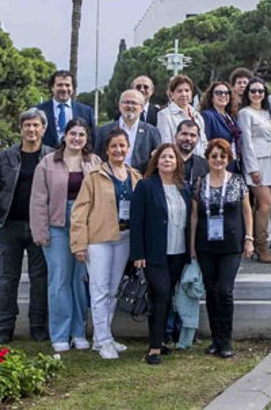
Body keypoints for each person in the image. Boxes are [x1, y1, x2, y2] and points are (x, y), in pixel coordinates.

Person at [0, 108, 51, 344]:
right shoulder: (5, 157)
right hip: (9, 224)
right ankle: (5, 326)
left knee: (39, 278)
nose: (31, 130)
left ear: (43, 129)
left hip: (39, 226)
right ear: (21, 129)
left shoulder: (51, 156)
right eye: (27, 125)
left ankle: (38, 326)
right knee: (7, 278)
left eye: (36, 125)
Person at [29, 117, 95, 352]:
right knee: (59, 281)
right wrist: (41, 231)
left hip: (84, 228)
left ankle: (79, 331)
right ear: (65, 136)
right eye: (73, 133)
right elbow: (38, 200)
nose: (77, 138)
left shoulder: (94, 162)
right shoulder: (47, 163)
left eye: (82, 135)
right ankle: (60, 333)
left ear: (87, 139)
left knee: (80, 281)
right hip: (56, 226)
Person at [70, 128, 136, 360]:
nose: (119, 150)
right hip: (99, 240)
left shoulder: (134, 176)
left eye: (122, 146)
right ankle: (103, 340)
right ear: (106, 150)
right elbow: (79, 212)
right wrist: (79, 243)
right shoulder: (95, 176)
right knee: (98, 291)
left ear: (128, 148)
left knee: (112, 291)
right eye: (114, 146)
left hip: (124, 239)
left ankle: (102, 337)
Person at [189, 138, 254, 358]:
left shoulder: (237, 181)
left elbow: (247, 210)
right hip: (206, 244)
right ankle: (215, 339)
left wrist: (249, 238)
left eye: (222, 156)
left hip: (231, 245)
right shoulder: (199, 183)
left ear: (228, 158)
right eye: (214, 156)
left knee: (225, 290)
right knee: (211, 291)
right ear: (208, 158)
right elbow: (195, 215)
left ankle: (226, 339)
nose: (218, 160)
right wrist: (192, 247)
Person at [130, 143, 192, 364]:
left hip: (178, 252)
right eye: (163, 157)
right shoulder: (146, 186)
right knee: (161, 294)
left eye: (171, 158)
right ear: (156, 161)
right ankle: (154, 347)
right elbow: (136, 223)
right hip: (154, 254)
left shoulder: (183, 187)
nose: (167, 161)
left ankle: (160, 340)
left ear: (178, 162)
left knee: (164, 297)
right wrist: (138, 254)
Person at [237, 78, 271, 264]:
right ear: (247, 93)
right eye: (253, 91)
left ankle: (255, 242)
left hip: (270, 160)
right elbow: (246, 141)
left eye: (260, 91)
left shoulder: (266, 112)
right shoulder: (245, 113)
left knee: (264, 204)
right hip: (256, 162)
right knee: (266, 202)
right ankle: (261, 245)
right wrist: (252, 168)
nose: (257, 94)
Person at [98, 89, 161, 174]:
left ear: (142, 108)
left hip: (141, 182)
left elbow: (156, 161)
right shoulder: (104, 131)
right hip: (109, 181)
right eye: (126, 102)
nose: (130, 106)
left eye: (134, 103)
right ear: (120, 106)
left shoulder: (152, 132)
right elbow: (97, 158)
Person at [37, 70, 95, 149]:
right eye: (60, 85)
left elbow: (92, 139)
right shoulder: (39, 111)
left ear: (73, 88)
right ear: (52, 88)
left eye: (67, 85)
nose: (64, 89)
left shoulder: (86, 111)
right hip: (45, 158)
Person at [158, 74, 206, 155]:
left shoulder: (197, 115)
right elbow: (166, 143)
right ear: (172, 94)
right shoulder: (164, 115)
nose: (184, 94)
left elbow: (203, 142)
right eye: (179, 91)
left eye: (187, 90)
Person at [200, 81, 241, 149]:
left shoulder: (231, 117)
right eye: (219, 93)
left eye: (226, 93)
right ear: (211, 97)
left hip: (233, 157)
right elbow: (205, 143)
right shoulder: (207, 115)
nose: (223, 95)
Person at [171, 119, 209, 189]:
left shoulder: (205, 165)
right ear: (176, 136)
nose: (188, 138)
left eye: (193, 135)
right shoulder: (163, 161)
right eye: (184, 134)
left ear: (198, 139)